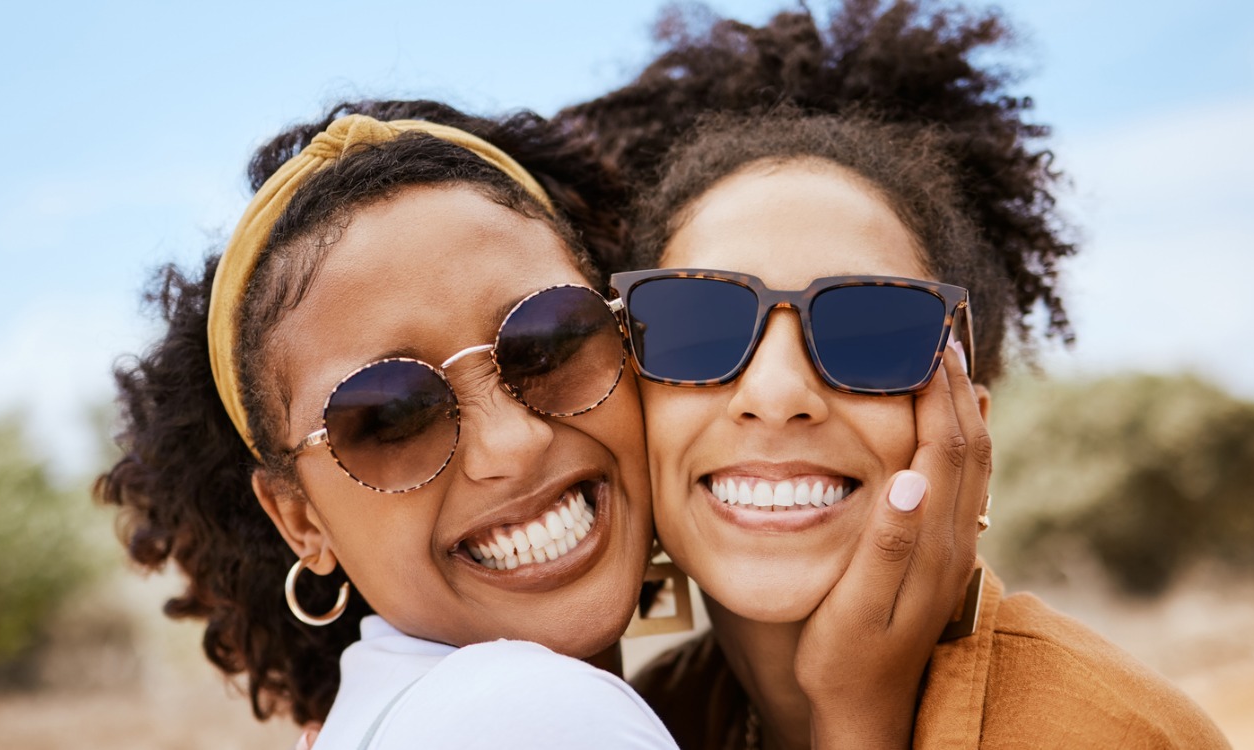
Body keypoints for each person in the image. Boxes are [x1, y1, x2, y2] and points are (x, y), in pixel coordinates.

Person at [97, 98, 980, 749]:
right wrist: (857, 720)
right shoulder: (526, 717)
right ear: (299, 519)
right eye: (389, 415)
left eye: (550, 343)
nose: (511, 442)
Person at [567, 3, 1232, 748]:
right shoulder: (645, 720)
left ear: (968, 431)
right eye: (698, 326)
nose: (778, 394)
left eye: (870, 334)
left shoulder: (1101, 731)